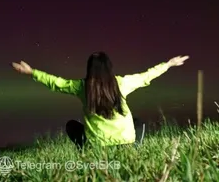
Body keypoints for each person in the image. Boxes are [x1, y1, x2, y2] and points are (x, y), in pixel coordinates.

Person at [11, 52, 189, 149]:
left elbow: (57, 83)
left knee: (72, 126)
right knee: (138, 123)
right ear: (109, 68)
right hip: (125, 142)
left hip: (98, 147)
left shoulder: (82, 87)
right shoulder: (120, 83)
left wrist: (32, 72)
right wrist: (168, 64)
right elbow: (146, 76)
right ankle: (135, 147)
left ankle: (86, 150)